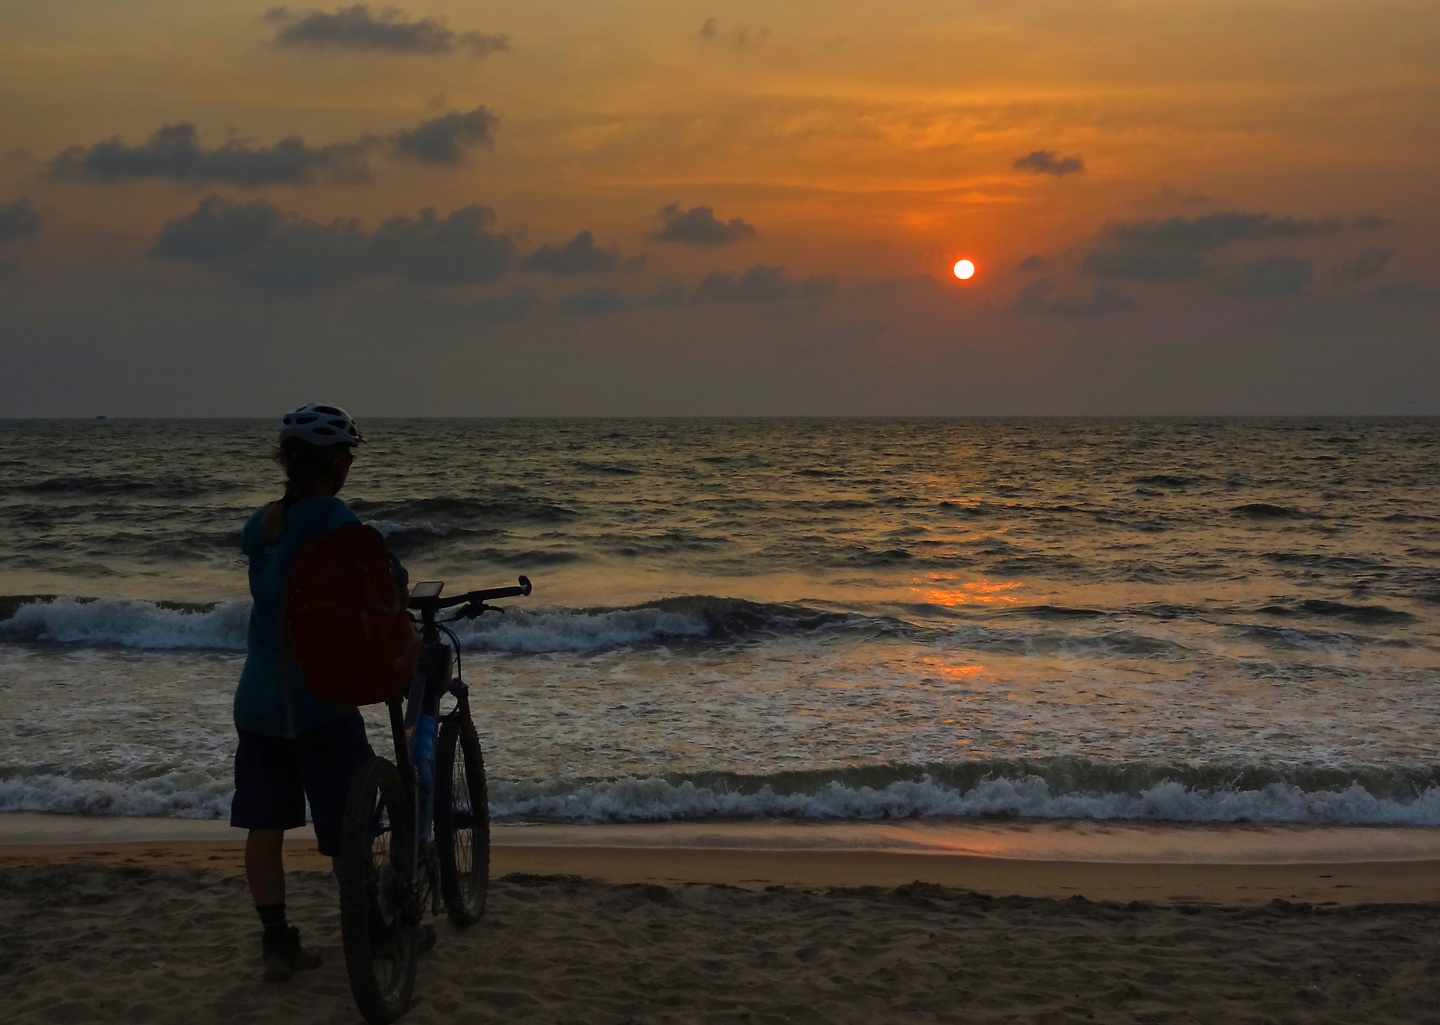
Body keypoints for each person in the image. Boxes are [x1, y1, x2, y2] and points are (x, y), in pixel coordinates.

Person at [230, 403, 372, 982]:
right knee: (347, 830)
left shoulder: (261, 523)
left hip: (259, 701)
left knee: (265, 828)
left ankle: (277, 944)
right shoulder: (335, 516)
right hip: (321, 701)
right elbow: (374, 577)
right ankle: (375, 933)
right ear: (337, 462)